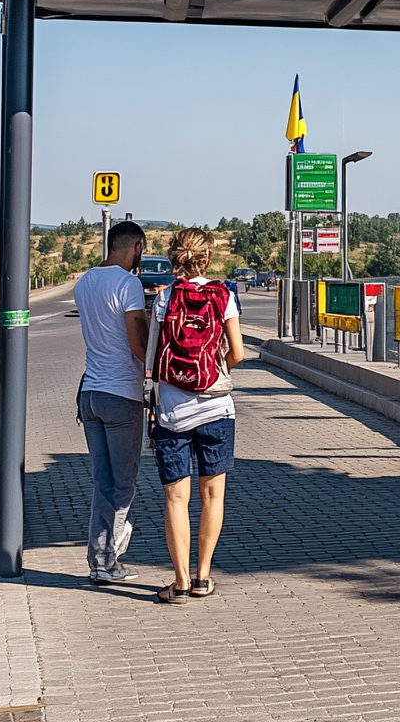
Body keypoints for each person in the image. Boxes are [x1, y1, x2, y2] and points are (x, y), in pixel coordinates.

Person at [147, 228, 244, 605]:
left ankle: (181, 581)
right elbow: (237, 353)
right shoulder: (224, 296)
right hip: (217, 407)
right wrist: (215, 370)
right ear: (207, 258)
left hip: (173, 411)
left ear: (175, 258)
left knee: (176, 497)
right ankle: (204, 576)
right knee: (213, 494)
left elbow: (153, 360)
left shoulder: (164, 298)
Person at [73, 219, 148, 584]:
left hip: (90, 394)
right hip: (122, 396)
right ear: (136, 247)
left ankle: (98, 559)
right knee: (122, 484)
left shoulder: (84, 281)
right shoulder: (129, 283)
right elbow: (137, 345)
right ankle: (106, 562)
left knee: (102, 482)